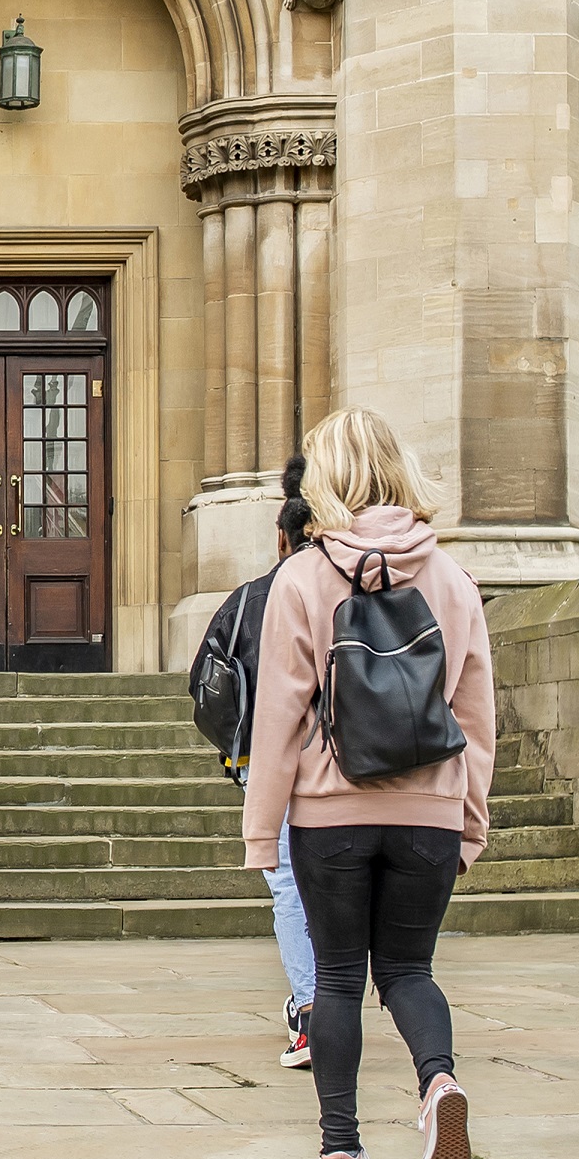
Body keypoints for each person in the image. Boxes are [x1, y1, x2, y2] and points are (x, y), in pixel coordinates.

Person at [241, 408, 494, 1159]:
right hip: (428, 808)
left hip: (330, 812)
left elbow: (279, 716)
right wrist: (470, 819)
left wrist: (261, 832)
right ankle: (437, 1084)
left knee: (340, 978)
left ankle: (340, 1151)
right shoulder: (451, 578)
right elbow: (477, 714)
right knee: (411, 971)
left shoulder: (303, 577)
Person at [262, 455, 319, 1073]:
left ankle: (310, 1011)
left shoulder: (268, 593)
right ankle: (435, 1068)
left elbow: (216, 682)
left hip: (280, 760)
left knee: (287, 883)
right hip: (353, 763)